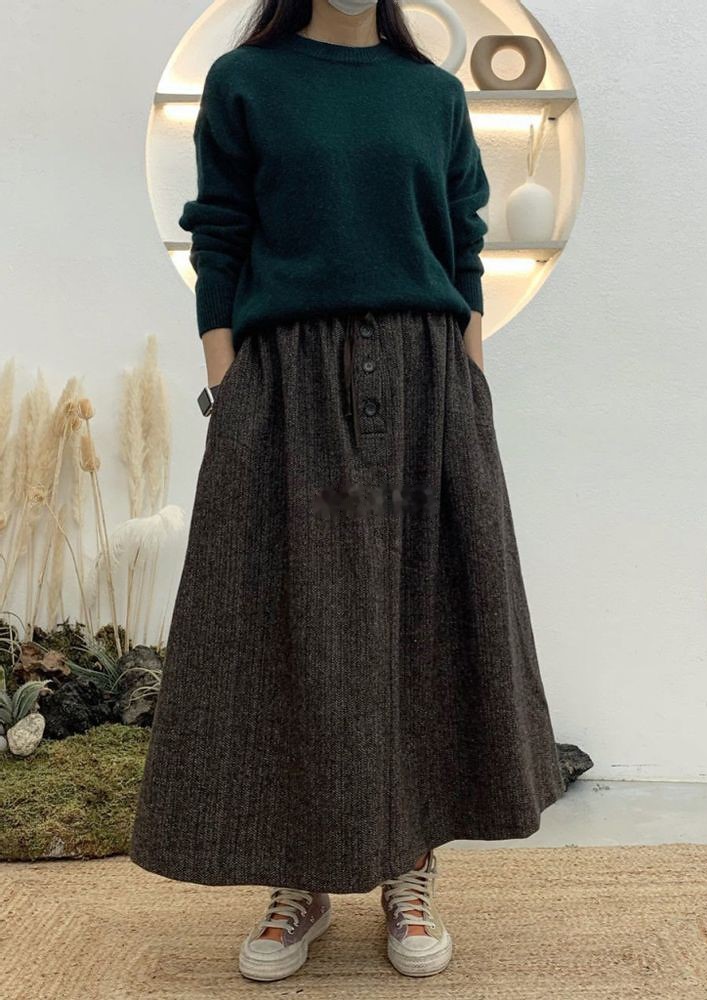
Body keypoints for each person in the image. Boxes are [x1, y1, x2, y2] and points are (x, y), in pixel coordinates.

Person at [130, 0, 566, 983]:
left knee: (423, 620)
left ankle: (411, 866)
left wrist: (471, 383)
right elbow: (220, 237)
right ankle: (301, 875)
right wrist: (229, 384)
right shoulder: (247, 82)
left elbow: (461, 244)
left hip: (426, 373)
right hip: (284, 377)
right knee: (290, 624)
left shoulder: (431, 94)